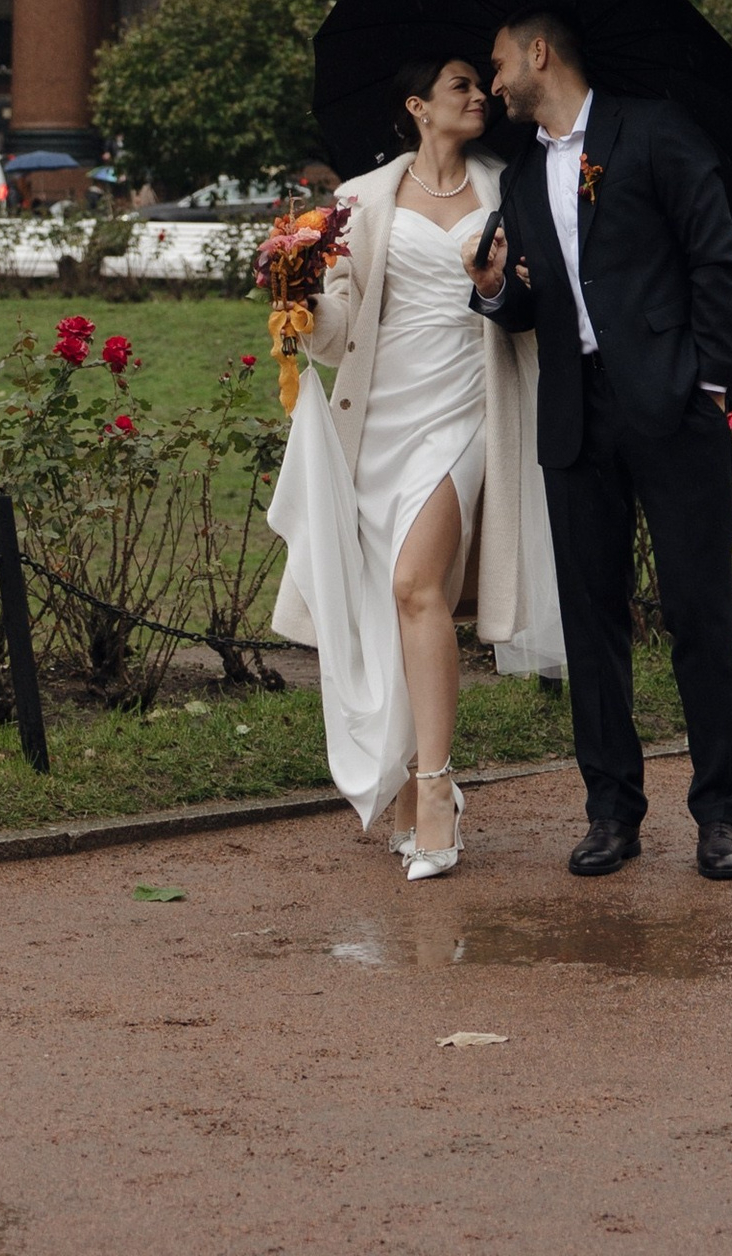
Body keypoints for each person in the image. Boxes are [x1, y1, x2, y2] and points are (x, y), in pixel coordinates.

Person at [473, 9, 732, 881]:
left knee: (697, 611)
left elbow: (715, 261)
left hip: (671, 404)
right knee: (592, 623)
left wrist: (708, 386)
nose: (491, 84)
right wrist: (491, 293)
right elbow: (528, 303)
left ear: (540, 53)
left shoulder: (656, 130)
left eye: (497, 63)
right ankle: (611, 812)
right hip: (576, 413)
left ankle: (719, 815)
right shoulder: (519, 175)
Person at [266, 55, 560, 883]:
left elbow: (538, 299)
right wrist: (303, 301)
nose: (478, 96)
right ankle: (406, 781)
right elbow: (341, 333)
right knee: (383, 598)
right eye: (460, 86)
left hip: (469, 404)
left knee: (412, 585)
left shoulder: (513, 185)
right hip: (380, 416)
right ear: (417, 106)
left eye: (479, 84)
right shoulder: (360, 200)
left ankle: (433, 788)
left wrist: (505, 285)